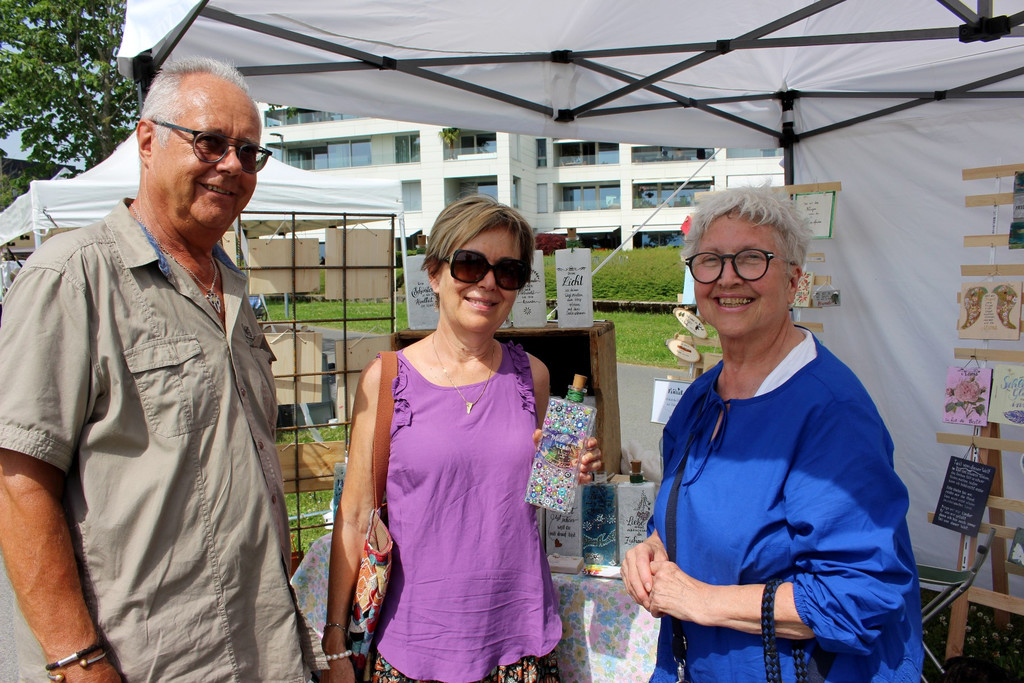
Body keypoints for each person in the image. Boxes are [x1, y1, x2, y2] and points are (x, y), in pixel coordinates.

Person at [0, 58, 321, 681]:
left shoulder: (230, 284)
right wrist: (76, 658)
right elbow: (18, 481)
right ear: (147, 141)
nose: (231, 164)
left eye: (250, 153)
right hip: (142, 656)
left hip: (260, 644)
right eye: (210, 142)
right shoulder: (72, 276)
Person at [621, 186, 923, 681]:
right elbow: (697, 515)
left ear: (795, 281)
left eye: (752, 259)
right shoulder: (701, 399)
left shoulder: (832, 413)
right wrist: (654, 547)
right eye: (710, 260)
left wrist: (703, 601)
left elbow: (859, 596)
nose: (727, 278)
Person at [320, 195, 601, 683]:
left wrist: (567, 471)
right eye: (470, 265)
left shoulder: (531, 375)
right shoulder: (385, 380)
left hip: (520, 642)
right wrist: (335, 639)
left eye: (508, 271)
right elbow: (354, 516)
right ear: (434, 273)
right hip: (414, 648)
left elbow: (538, 498)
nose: (488, 283)